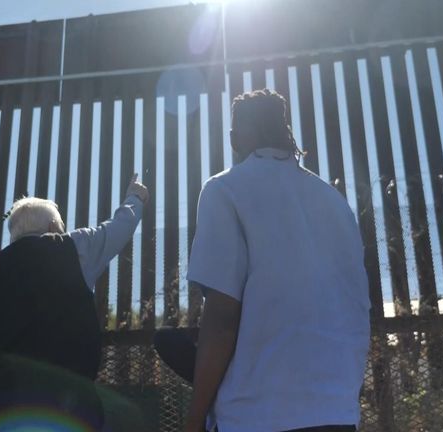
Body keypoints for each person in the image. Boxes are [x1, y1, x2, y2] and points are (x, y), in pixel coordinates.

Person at [155, 89, 370, 432]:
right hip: (338, 412)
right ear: (284, 129)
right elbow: (357, 306)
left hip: (257, 415)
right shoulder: (334, 201)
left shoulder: (226, 190)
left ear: (237, 137)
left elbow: (223, 318)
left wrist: (195, 419)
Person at [0, 175, 149, 432]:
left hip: (3, 409)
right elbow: (116, 230)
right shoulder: (69, 247)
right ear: (52, 224)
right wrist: (135, 197)